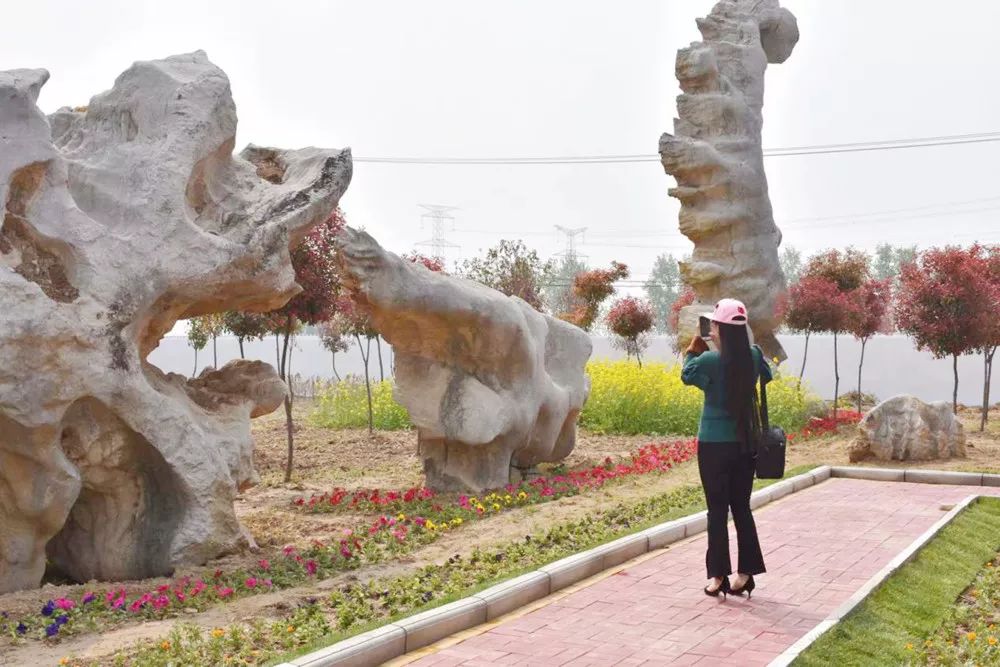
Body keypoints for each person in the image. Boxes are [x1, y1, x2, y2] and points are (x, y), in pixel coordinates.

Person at [681, 298, 772, 599]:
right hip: (745, 443)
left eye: (714, 325)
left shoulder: (708, 361)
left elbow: (687, 375)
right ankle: (745, 574)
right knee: (742, 508)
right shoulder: (755, 356)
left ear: (717, 328)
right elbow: (766, 375)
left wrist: (695, 348)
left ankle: (718, 576)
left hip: (713, 446)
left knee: (717, 511)